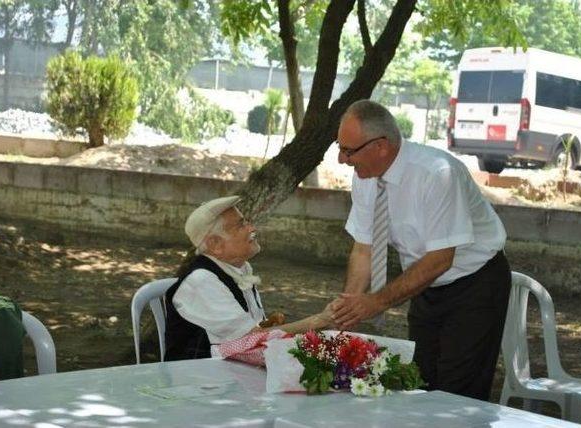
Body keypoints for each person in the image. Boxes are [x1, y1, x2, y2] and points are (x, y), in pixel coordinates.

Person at [331, 100, 511, 401]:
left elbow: (442, 258)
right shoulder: (364, 178)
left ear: (381, 146)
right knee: (420, 384)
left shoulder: (437, 173)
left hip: (474, 286)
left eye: (349, 150)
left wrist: (376, 302)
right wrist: (349, 309)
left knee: (457, 396)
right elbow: (364, 249)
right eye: (340, 147)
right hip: (426, 285)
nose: (341, 159)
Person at [165, 195, 333, 361]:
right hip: (196, 379)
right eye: (241, 225)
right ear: (215, 244)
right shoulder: (202, 281)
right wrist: (318, 321)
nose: (252, 229)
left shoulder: (238, 269)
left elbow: (256, 331)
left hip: (228, 372)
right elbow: (251, 339)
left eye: (246, 221)